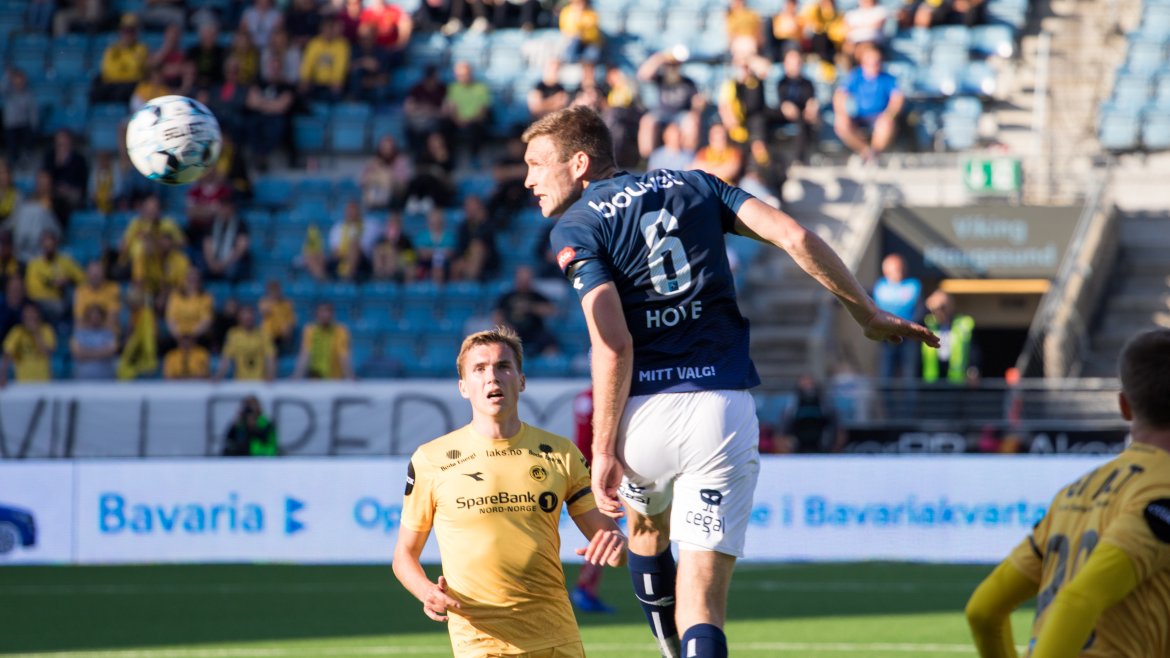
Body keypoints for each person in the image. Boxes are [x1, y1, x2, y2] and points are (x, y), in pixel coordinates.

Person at [522, 105, 937, 658]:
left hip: (642, 414)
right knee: (702, 600)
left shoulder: (576, 226)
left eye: (536, 164)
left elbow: (613, 341)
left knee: (646, 533)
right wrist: (864, 311)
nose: (528, 179)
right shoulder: (696, 184)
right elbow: (793, 234)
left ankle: (667, 649)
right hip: (719, 409)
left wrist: (602, 447)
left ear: (578, 163)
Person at [392, 327, 627, 657]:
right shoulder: (431, 459)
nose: (492, 377)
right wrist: (426, 591)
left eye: (503, 366)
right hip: (480, 640)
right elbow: (404, 556)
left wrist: (617, 545)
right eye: (479, 369)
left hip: (557, 636)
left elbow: (613, 545)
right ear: (463, 387)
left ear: (521, 381)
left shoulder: (561, 453)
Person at [966, 328, 1170, 658]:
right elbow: (1080, 599)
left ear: (1124, 406)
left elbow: (983, 610)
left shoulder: (1073, 493)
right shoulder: (1162, 491)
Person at [568, 386, 617, 614]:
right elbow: (589, 441)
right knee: (602, 534)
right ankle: (584, 589)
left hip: (594, 473)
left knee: (602, 534)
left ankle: (586, 589)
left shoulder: (585, 397)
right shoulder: (597, 398)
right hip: (598, 477)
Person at [832, 44, 903, 163]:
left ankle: (874, 154)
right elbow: (839, 95)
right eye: (870, 62)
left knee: (885, 124)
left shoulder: (887, 79)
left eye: (876, 62)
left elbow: (897, 98)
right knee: (841, 124)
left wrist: (889, 114)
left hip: (879, 116)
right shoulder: (855, 76)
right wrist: (842, 113)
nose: (873, 66)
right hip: (858, 116)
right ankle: (866, 152)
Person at [873, 253, 921, 380]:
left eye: (901, 268)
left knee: (909, 374)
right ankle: (886, 400)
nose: (899, 271)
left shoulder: (913, 285)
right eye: (895, 269)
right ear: (886, 270)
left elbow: (916, 309)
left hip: (908, 336)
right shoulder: (880, 287)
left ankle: (909, 400)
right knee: (885, 373)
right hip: (886, 337)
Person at [24, 231, 85, 325]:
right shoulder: (34, 264)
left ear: (56, 245)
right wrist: (53, 285)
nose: (48, 249)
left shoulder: (65, 262)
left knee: (72, 291)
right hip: (40, 302)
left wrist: (68, 279)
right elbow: (32, 288)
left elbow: (83, 279)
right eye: (46, 247)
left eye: (51, 246)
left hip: (61, 302)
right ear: (41, 245)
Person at [920, 289, 975, 384]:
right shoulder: (927, 322)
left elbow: (973, 349)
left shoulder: (963, 323)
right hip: (932, 378)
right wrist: (929, 305)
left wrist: (973, 369)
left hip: (955, 379)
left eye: (943, 307)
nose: (940, 311)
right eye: (937, 308)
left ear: (951, 306)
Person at [292, 302, 353, 380]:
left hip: (335, 378)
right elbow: (305, 354)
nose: (325, 315)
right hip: (315, 378)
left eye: (327, 312)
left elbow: (344, 356)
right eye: (322, 312)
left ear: (332, 314)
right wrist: (296, 377)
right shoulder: (310, 330)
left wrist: (351, 377)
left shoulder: (341, 331)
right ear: (316, 314)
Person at [215, 305, 275, 381]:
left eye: (250, 316)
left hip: (260, 381)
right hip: (241, 382)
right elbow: (226, 358)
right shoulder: (234, 334)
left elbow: (270, 357)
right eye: (245, 317)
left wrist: (270, 375)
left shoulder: (264, 334)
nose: (248, 318)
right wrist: (219, 376)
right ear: (239, 318)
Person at [0, 303, 55, 387]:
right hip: (22, 383)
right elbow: (7, 354)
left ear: (38, 315)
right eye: (28, 315)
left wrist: (36, 333)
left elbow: (47, 353)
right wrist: (2, 375)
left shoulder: (46, 330)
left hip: (44, 382)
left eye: (33, 314)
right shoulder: (17, 331)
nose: (31, 317)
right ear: (23, 317)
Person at [71, 304, 119, 380]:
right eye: (92, 316)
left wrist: (86, 353)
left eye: (97, 316)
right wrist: (102, 352)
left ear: (102, 317)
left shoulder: (109, 333)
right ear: (87, 317)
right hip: (83, 381)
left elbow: (112, 351)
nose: (95, 318)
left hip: (106, 380)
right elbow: (77, 353)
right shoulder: (79, 333)